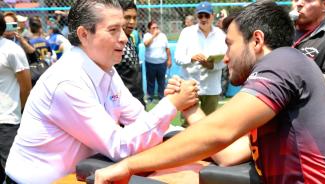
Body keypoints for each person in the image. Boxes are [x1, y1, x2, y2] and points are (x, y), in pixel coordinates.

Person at [95, 1, 325, 183]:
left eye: (230, 45)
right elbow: (227, 154)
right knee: (182, 173)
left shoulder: (283, 62)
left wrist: (128, 165)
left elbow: (218, 133)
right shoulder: (282, 84)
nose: (227, 58)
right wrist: (191, 109)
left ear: (257, 40)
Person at [4, 0, 198, 183]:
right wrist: (172, 103)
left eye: (122, 28)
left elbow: (139, 118)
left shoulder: (106, 69)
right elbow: (119, 146)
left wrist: (194, 137)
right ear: (83, 34)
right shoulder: (66, 81)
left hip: (78, 175)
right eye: (113, 30)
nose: (123, 37)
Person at [175, 1, 227, 116]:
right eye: (200, 16)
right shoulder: (187, 32)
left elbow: (225, 60)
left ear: (212, 16)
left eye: (207, 15)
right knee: (187, 125)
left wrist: (212, 66)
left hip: (211, 88)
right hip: (190, 87)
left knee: (209, 124)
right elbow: (178, 58)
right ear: (196, 17)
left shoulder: (221, 35)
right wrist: (191, 58)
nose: (203, 19)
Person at [0, 12, 32, 183]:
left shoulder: (11, 50)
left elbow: (26, 87)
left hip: (7, 121)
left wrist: (19, 110)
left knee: (13, 174)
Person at [114, 0, 145, 106]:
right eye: (127, 17)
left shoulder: (130, 39)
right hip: (123, 106)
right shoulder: (114, 43)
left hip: (137, 102)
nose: (132, 22)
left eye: (134, 18)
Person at [143, 20, 172, 103]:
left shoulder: (163, 36)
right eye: (153, 28)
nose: (156, 29)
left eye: (157, 27)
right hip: (150, 63)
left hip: (162, 63)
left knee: (161, 81)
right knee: (150, 81)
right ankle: (150, 98)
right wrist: (154, 36)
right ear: (149, 29)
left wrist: (169, 59)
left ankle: (161, 97)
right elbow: (146, 44)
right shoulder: (147, 35)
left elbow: (167, 48)